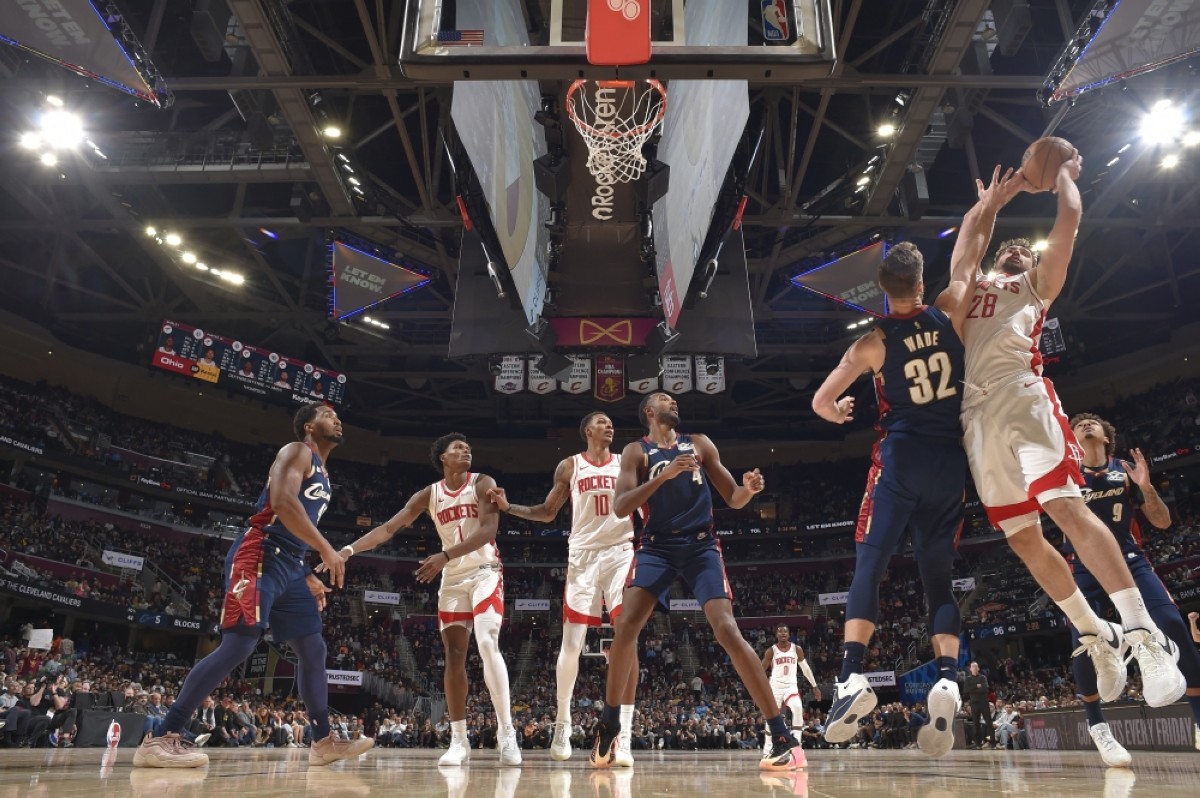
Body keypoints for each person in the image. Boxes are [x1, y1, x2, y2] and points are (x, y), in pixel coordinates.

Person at [952, 153, 1186, 709]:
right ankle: (1092, 631)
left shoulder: (1037, 286)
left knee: (1064, 507)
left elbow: (1068, 223)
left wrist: (1062, 177)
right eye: (1008, 247)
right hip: (976, 417)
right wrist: (992, 204)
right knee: (1021, 538)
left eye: (1024, 249)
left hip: (1023, 396)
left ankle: (1139, 630)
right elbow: (967, 242)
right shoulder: (967, 291)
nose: (1016, 249)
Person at [812, 224, 984, 757]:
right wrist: (991, 205)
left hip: (900, 459)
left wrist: (838, 412)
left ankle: (851, 678)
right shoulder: (951, 307)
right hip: (950, 462)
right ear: (922, 282)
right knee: (939, 579)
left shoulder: (872, 342)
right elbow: (970, 257)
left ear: (884, 291)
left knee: (871, 563)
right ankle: (949, 678)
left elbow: (821, 401)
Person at [133, 404, 372, 768]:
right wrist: (325, 548)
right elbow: (281, 503)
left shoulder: (324, 473)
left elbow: (292, 523)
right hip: (258, 554)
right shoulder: (297, 451)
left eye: (337, 414)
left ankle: (322, 741)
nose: (336, 417)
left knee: (313, 649)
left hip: (289, 564)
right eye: (326, 414)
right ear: (309, 425)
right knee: (241, 643)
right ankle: (164, 736)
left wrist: (307, 570)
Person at [590, 392, 804, 772]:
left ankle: (780, 733)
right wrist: (666, 475)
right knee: (624, 628)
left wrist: (750, 489)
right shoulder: (636, 452)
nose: (672, 403)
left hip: (702, 547)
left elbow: (734, 499)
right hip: (656, 547)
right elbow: (622, 507)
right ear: (649, 413)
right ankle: (609, 726)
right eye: (663, 400)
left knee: (727, 629)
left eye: (674, 400)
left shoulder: (700, 443)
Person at [328, 432, 521, 766]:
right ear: (443, 458)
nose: (466, 450)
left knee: (488, 643)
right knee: (454, 656)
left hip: (485, 571)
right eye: (458, 448)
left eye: (469, 447)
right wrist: (348, 550)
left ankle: (507, 733)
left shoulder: (482, 482)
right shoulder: (429, 495)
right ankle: (459, 740)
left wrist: (445, 555)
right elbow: (389, 528)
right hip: (453, 578)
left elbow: (489, 530)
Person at [487, 412, 638, 765]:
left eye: (611, 422)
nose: (609, 426)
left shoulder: (626, 461)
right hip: (583, 556)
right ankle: (563, 720)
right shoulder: (570, 466)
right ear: (587, 430)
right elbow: (547, 512)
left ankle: (623, 735)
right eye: (602, 422)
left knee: (628, 637)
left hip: (621, 552)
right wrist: (510, 509)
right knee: (572, 643)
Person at [1066, 413, 1200, 763]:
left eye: (1093, 422)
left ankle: (1199, 721)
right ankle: (1099, 729)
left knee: (1172, 624)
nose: (1086, 425)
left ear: (1107, 436)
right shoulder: (1065, 473)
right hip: (1082, 565)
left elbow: (1162, 521)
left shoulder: (1125, 469)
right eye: (1079, 424)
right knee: (1082, 644)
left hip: (1129, 557)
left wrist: (1146, 487)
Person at [760, 624, 820, 755]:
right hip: (775, 687)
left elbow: (805, 669)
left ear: (789, 634)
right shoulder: (771, 650)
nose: (782, 633)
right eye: (780, 631)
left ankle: (796, 746)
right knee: (772, 716)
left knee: (798, 708)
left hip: (791, 686)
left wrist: (814, 686)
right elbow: (760, 669)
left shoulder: (796, 649)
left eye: (785, 631)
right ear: (776, 635)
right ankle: (768, 748)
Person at [962, 662, 992, 749]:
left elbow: (985, 689)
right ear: (970, 669)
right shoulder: (968, 679)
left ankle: (993, 742)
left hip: (984, 702)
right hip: (974, 703)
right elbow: (966, 690)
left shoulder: (983, 677)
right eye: (972, 667)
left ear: (978, 668)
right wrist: (976, 686)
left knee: (988, 722)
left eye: (976, 667)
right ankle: (978, 744)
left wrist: (973, 689)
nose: (974, 668)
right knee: (976, 724)